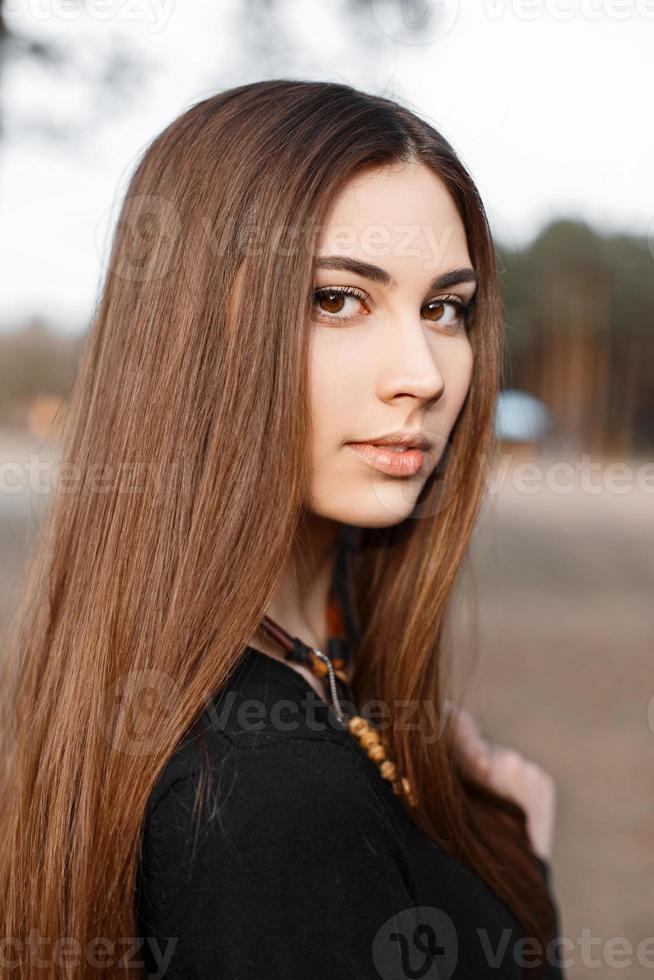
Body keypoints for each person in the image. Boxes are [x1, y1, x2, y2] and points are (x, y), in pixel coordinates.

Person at [0, 79, 565, 979]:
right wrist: (525, 882)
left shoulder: (305, 660)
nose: (421, 373)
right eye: (338, 300)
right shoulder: (263, 801)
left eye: (444, 308)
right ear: (195, 330)